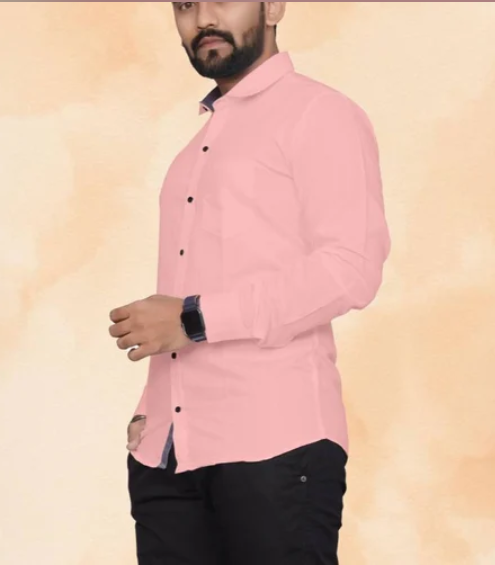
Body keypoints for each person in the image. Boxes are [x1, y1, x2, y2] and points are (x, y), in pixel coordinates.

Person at [108, 2, 391, 564]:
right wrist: (154, 410)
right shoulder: (193, 154)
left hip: (275, 446)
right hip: (167, 458)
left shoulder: (319, 114)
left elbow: (351, 267)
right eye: (186, 5)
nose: (202, 19)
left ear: (274, 5)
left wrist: (193, 318)